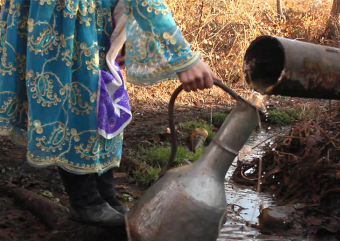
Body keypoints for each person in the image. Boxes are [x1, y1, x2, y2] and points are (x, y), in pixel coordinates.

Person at [0, 0, 220, 226]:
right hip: (65, 17)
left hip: (92, 14)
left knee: (103, 99)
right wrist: (183, 58)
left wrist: (120, 25)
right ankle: (85, 201)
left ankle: (105, 195)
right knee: (78, 100)